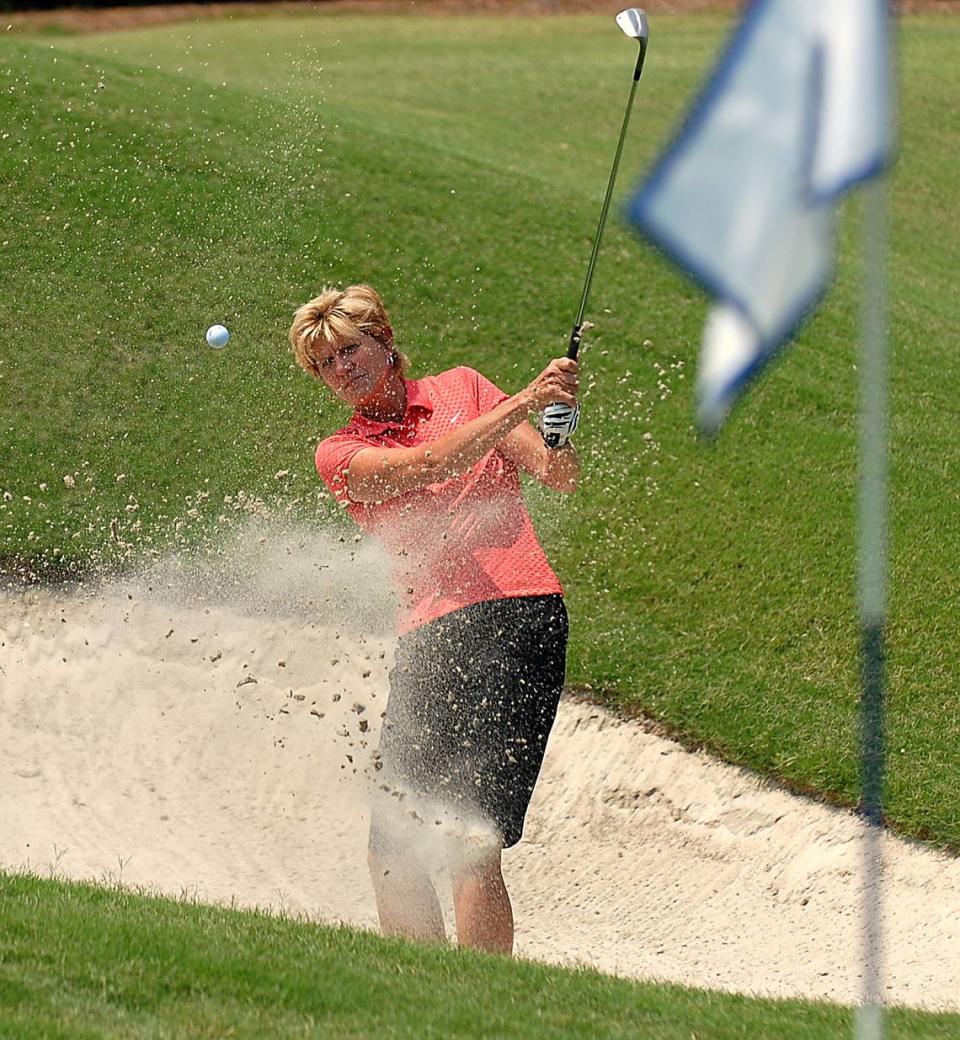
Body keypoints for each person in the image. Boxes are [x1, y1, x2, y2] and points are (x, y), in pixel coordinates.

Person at [289, 283, 580, 955]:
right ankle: (420, 997)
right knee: (391, 841)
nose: (343, 369)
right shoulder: (338, 454)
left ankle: (481, 1007)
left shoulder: (465, 389)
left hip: (518, 615)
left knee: (467, 835)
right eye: (326, 364)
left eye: (351, 349)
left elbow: (557, 475)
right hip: (429, 636)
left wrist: (558, 419)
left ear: (385, 341)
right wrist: (524, 403)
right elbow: (428, 464)